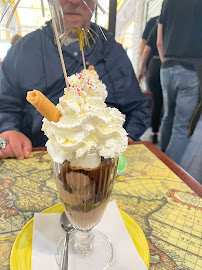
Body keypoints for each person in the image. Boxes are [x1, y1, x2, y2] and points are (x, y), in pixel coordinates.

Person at [0, 0, 150, 160]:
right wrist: (9, 130)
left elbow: (139, 108)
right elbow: (6, 105)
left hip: (101, 163)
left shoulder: (113, 52)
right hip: (37, 156)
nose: (75, 0)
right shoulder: (23, 50)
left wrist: (122, 140)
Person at [157, 0, 202, 165]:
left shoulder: (168, 2)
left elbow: (159, 42)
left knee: (167, 116)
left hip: (167, 67)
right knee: (181, 126)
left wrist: (165, 63)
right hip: (191, 69)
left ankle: (161, 159)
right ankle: (168, 170)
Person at [138, 23, 163, 144]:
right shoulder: (180, 25)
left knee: (156, 102)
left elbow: (146, 50)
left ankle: (154, 133)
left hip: (154, 65)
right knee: (169, 105)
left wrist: (141, 69)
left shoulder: (155, 25)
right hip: (168, 65)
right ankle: (166, 136)